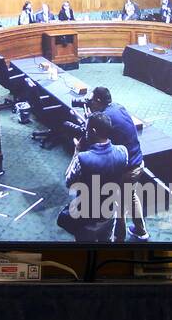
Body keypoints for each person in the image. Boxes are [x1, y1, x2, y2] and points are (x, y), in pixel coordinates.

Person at [89, 87, 148, 241]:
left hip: (127, 169)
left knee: (119, 203)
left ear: (98, 101)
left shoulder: (105, 118)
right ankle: (141, 231)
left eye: (93, 100)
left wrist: (90, 121)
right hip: (139, 162)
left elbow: (97, 141)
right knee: (131, 196)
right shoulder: (118, 107)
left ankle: (119, 237)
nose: (91, 102)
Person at [58, 114, 128, 243]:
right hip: (110, 212)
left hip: (87, 219)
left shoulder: (83, 158)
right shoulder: (123, 151)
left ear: (93, 131)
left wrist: (77, 151)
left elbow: (69, 182)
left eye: (86, 128)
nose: (85, 131)